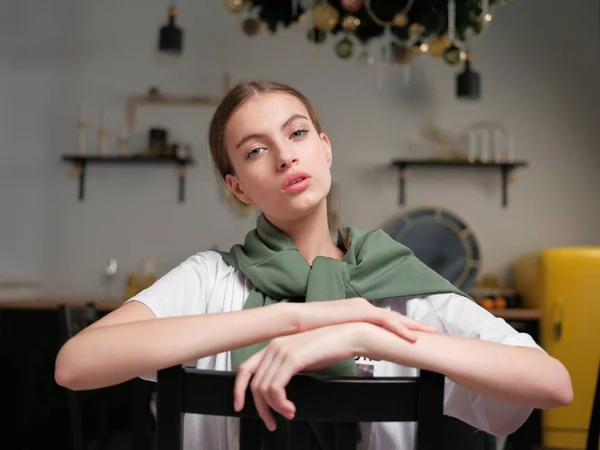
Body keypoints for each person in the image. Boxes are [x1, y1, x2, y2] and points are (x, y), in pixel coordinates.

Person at [55, 80, 573, 450]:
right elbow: (76, 364)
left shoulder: (399, 283)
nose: (284, 156)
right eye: (256, 150)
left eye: (297, 134)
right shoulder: (210, 279)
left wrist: (364, 338)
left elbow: (552, 384)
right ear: (237, 187)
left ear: (324, 149)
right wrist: (294, 318)